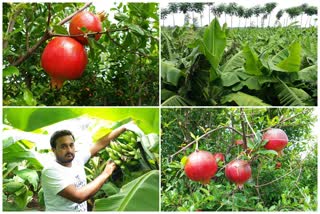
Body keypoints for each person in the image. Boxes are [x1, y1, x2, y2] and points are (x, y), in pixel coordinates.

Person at [41, 124, 130, 211]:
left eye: (71, 145)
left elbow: (100, 143)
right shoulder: (51, 171)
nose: (69, 150)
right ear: (54, 150)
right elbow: (79, 196)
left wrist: (125, 127)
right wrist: (106, 173)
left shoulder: (77, 159)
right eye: (63, 147)